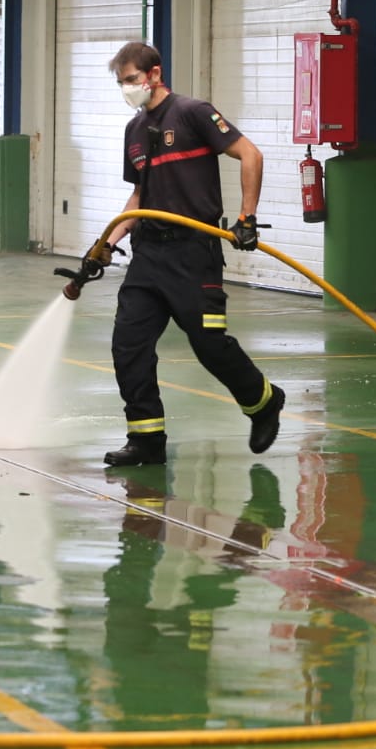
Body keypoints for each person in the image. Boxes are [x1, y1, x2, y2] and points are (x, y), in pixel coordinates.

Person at [102, 41, 285, 467]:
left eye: (132, 79)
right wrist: (107, 243)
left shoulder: (193, 112)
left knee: (209, 344)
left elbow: (250, 154)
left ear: (154, 74)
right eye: (121, 83)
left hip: (192, 253)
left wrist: (247, 217)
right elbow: (139, 196)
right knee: (128, 345)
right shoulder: (134, 131)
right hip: (149, 254)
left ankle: (263, 401)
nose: (127, 88)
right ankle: (146, 439)